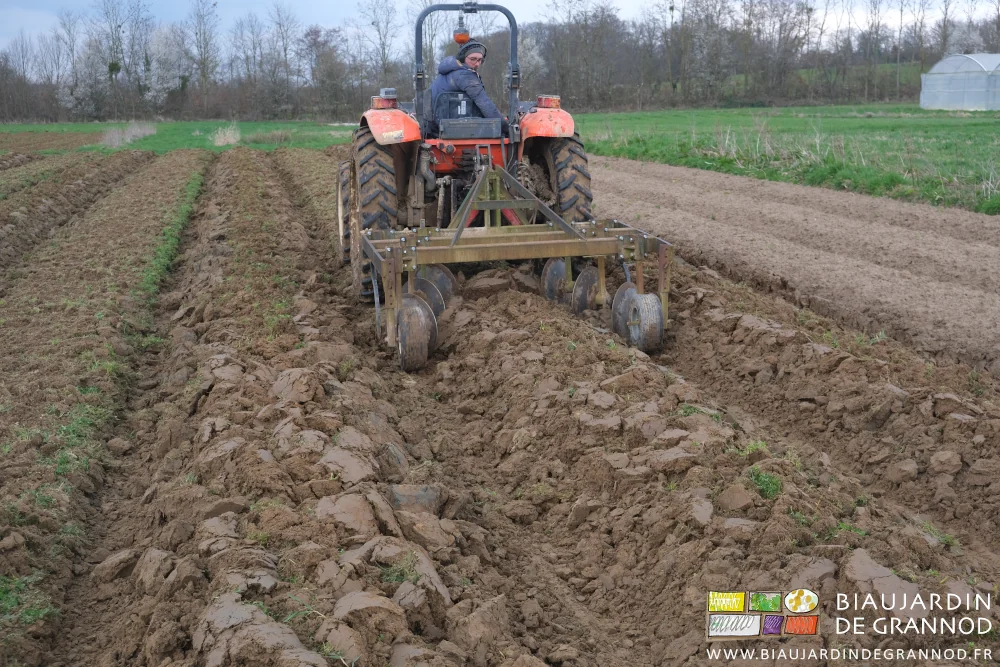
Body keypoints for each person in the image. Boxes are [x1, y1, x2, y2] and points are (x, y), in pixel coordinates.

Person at [430, 40, 509, 135]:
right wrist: (506, 128)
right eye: (473, 59)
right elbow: (485, 104)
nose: (477, 64)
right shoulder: (465, 75)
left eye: (480, 60)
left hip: (435, 124)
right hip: (446, 127)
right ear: (463, 58)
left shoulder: (451, 69)